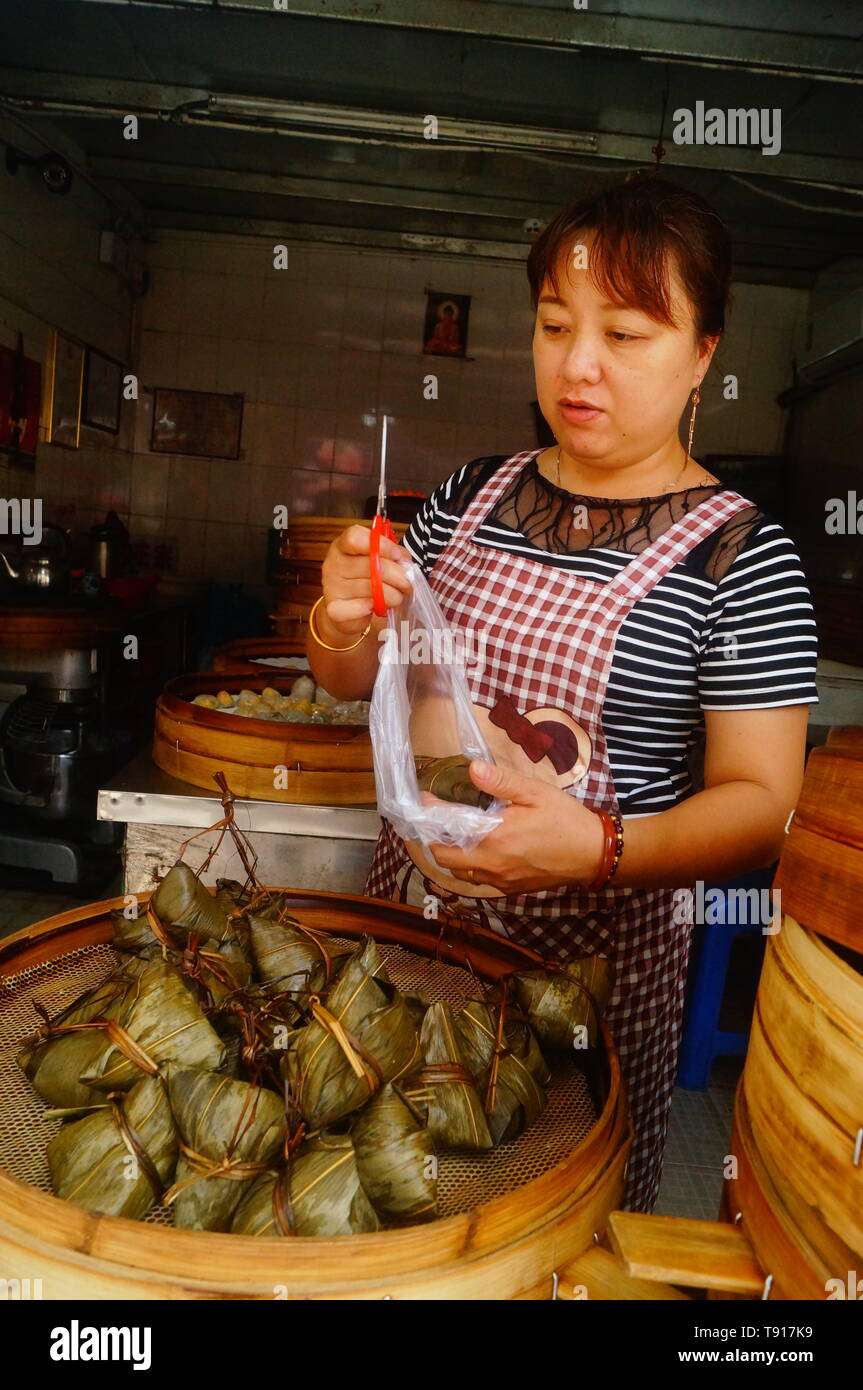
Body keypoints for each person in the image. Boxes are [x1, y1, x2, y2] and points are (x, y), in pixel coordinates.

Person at [305, 174, 818, 1212]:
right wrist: (335, 618)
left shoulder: (742, 559)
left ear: (702, 355)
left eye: (625, 335)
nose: (575, 366)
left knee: (539, 1239)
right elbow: (355, 680)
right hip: (403, 953)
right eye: (551, 324)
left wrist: (597, 847)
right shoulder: (466, 495)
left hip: (580, 992)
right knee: (382, 1217)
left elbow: (762, 808)